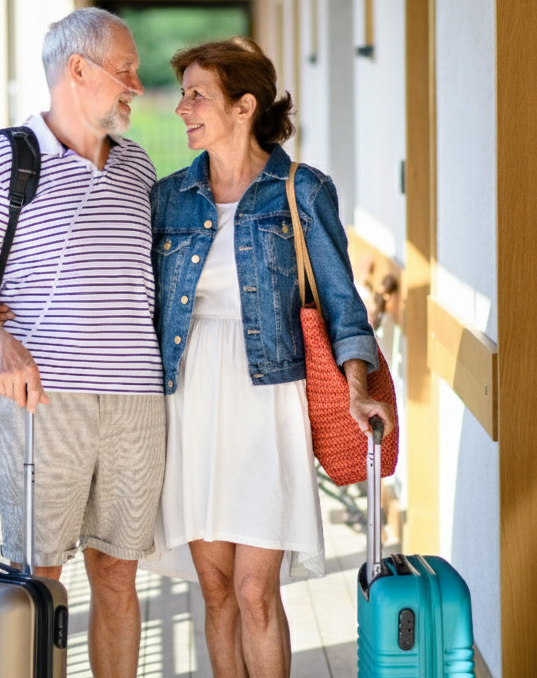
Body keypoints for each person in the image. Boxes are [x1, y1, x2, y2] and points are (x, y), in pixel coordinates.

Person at [145, 37, 395, 677]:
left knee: (256, 590)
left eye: (197, 94)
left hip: (267, 397)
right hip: (190, 397)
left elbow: (343, 304)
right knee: (217, 588)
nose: (182, 108)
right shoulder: (169, 196)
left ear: (243, 105)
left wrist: (357, 384)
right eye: (183, 94)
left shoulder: (301, 190)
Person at [0, 9, 165, 677]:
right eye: (125, 70)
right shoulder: (6, 158)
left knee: (120, 576)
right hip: (43, 400)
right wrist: (1, 347)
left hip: (135, 400)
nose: (136, 85)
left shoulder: (139, 166)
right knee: (38, 578)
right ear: (77, 69)